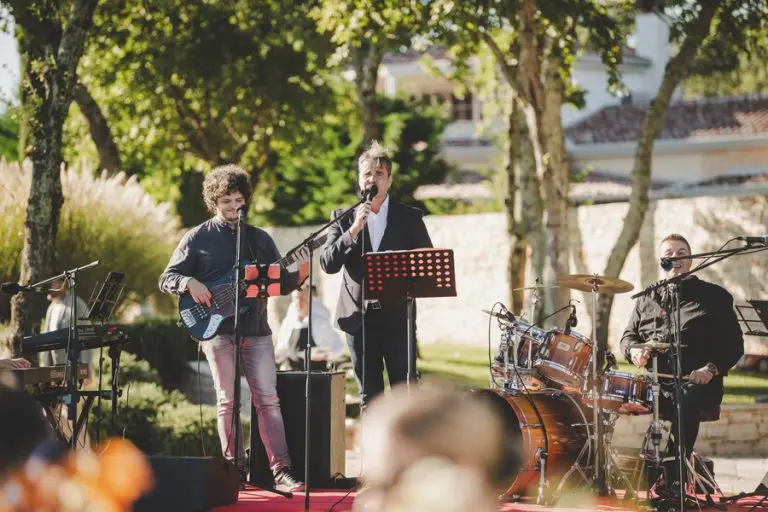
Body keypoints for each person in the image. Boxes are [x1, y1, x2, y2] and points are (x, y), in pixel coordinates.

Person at [159, 164, 309, 491]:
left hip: (256, 329)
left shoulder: (259, 239)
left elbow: (279, 281)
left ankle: (281, 470)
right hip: (215, 330)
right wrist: (188, 282)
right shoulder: (197, 238)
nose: (233, 207)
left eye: (238, 200)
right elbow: (167, 278)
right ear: (213, 202)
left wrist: (302, 271)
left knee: (268, 399)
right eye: (226, 201)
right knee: (227, 400)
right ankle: (234, 470)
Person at [620, 233, 744, 493]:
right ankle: (605, 474)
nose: (675, 258)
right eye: (669, 254)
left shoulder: (714, 296)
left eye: (681, 253)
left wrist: (710, 369)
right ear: (660, 260)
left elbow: (734, 346)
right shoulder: (647, 297)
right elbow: (628, 337)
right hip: (656, 384)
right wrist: (633, 352)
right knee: (604, 396)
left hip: (696, 384)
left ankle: (674, 477)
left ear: (691, 259)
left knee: (686, 397)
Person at [320, 141, 433, 407]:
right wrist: (353, 231)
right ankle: (372, 437)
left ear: (389, 180)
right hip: (358, 319)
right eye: (367, 174)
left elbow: (426, 264)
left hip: (397, 319)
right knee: (369, 396)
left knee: (404, 393)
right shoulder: (343, 218)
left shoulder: (409, 218)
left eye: (379, 174)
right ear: (359, 180)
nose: (372, 179)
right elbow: (328, 263)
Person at [275, 285, 344, 371]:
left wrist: (325, 355)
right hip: (292, 371)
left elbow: (338, 346)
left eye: (302, 299)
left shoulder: (320, 323)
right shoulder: (288, 323)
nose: (299, 303)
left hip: (316, 371)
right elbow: (282, 348)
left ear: (309, 302)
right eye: (296, 299)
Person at [39, 277, 90, 368]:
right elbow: (47, 339)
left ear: (63, 284)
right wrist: (45, 365)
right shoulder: (51, 308)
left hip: (75, 366)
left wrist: (86, 366)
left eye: (53, 283)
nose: (50, 287)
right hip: (56, 367)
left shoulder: (76, 303)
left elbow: (87, 334)